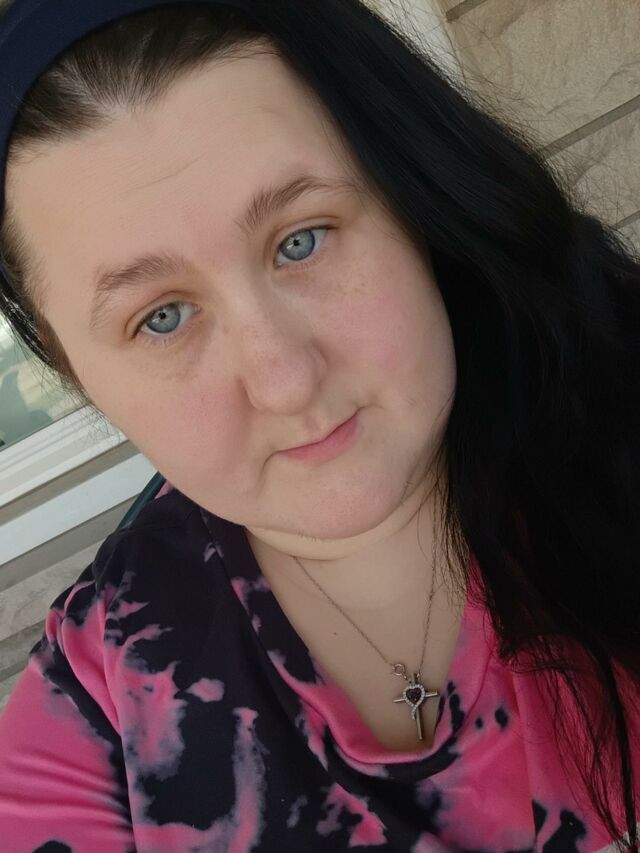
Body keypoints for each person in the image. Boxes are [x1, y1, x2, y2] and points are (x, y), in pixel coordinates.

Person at [0, 1, 638, 850]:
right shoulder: (97, 716)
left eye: (301, 240)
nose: (285, 379)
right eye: (161, 317)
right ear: (75, 372)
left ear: (413, 195)